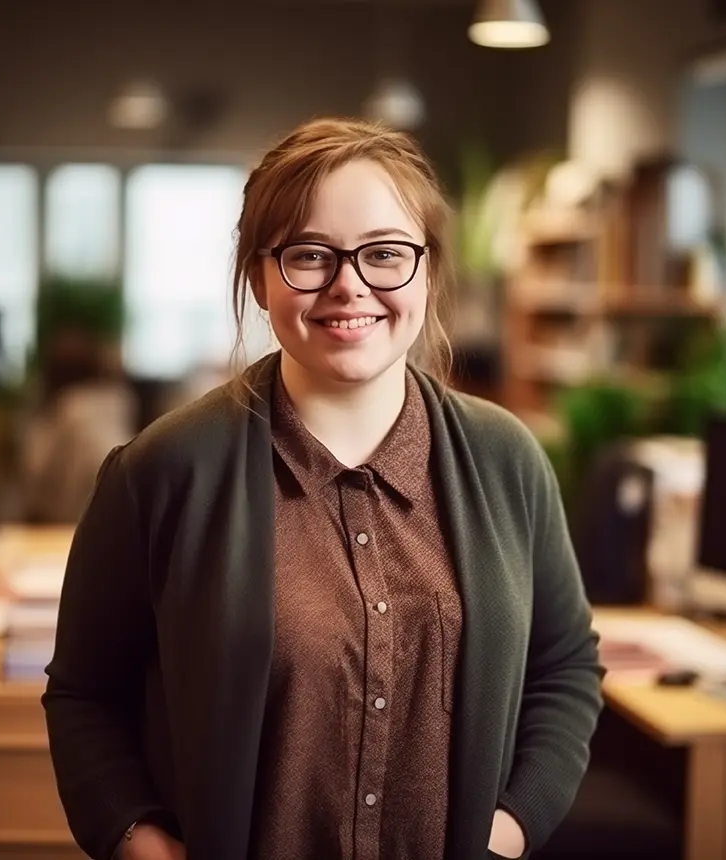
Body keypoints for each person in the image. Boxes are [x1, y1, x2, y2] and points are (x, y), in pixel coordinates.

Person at [42, 117, 603, 860]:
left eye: (385, 254)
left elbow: (564, 667)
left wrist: (507, 831)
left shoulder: (507, 460)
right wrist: (145, 848)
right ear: (259, 275)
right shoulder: (162, 471)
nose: (350, 285)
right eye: (310, 255)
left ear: (428, 270)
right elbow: (85, 695)